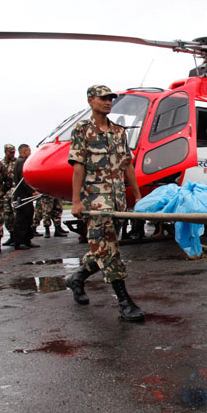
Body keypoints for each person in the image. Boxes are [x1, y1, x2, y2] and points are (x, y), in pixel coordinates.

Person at [65, 85, 145, 321]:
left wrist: (137, 196)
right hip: (96, 201)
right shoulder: (82, 129)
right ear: (91, 101)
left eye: (110, 99)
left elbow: (127, 165)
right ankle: (125, 302)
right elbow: (78, 166)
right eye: (103, 98)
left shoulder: (119, 131)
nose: (108, 102)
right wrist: (76, 201)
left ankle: (77, 278)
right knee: (109, 249)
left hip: (117, 201)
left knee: (102, 248)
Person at [12, 144, 40, 250]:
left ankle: (27, 240)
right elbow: (23, 179)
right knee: (22, 219)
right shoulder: (21, 162)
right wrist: (32, 191)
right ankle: (20, 242)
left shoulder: (20, 161)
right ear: (24, 152)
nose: (30, 153)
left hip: (24, 195)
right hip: (22, 195)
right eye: (29, 151)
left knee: (28, 217)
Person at [1, 144, 17, 246]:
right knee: (7, 216)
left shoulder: (17, 162)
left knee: (17, 215)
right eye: (11, 152)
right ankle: (12, 236)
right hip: (6, 193)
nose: (13, 154)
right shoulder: (1, 164)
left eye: (14, 152)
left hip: (16, 191)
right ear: (6, 152)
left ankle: (20, 237)